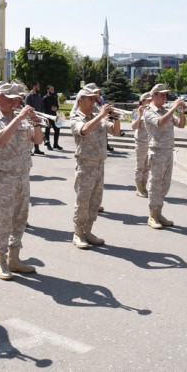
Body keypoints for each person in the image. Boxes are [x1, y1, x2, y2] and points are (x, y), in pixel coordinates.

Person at [0, 82, 42, 280]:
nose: (16, 103)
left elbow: (38, 141)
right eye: (11, 100)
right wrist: (18, 118)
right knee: (4, 219)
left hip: (23, 176)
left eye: (17, 100)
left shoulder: (22, 119)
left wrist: (36, 123)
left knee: (20, 219)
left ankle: (15, 259)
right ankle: (1, 260)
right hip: (5, 176)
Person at [69, 84, 119, 249]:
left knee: (95, 202)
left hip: (99, 165)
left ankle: (88, 231)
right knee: (83, 203)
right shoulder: (76, 117)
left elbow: (115, 132)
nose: (93, 102)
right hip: (85, 165)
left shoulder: (97, 115)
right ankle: (78, 233)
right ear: (81, 100)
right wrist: (101, 115)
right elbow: (84, 130)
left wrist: (115, 119)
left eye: (94, 99)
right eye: (90, 99)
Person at [142, 84, 185, 229]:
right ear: (154, 95)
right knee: (155, 184)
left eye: (166, 95)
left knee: (165, 184)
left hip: (168, 150)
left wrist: (181, 111)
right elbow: (159, 123)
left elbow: (181, 125)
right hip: (157, 151)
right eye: (162, 95)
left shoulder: (165, 111)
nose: (165, 97)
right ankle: (152, 215)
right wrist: (173, 108)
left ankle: (159, 212)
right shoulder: (149, 111)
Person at [131, 92, 151, 198]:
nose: (150, 102)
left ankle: (144, 186)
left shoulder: (152, 112)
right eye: (148, 100)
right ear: (142, 101)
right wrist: (140, 115)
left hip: (151, 142)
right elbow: (134, 127)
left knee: (147, 166)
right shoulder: (136, 111)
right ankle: (139, 188)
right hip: (141, 142)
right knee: (140, 166)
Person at [25, 81, 45, 155]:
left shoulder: (39, 95)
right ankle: (29, 149)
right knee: (30, 133)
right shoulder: (29, 96)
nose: (39, 87)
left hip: (38, 117)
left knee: (37, 132)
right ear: (34, 87)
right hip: (31, 118)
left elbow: (41, 105)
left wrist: (42, 115)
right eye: (38, 86)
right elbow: (26, 107)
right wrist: (32, 115)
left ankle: (37, 149)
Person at [42, 84, 63, 151]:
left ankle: (55, 144)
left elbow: (57, 105)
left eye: (53, 89)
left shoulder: (54, 97)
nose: (53, 90)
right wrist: (50, 109)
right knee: (47, 131)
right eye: (51, 89)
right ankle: (48, 145)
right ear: (47, 90)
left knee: (57, 129)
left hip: (54, 116)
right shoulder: (45, 98)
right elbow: (43, 108)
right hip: (47, 116)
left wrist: (56, 108)